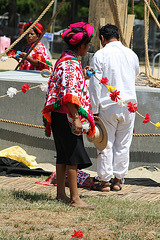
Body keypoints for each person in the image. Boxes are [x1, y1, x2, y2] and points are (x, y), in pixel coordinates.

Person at [42, 22, 96, 208]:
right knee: (73, 156)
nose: (88, 48)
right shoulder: (71, 64)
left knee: (63, 156)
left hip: (58, 115)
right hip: (67, 115)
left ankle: (60, 195)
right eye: (87, 45)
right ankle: (75, 198)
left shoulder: (63, 60)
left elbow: (66, 86)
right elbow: (69, 94)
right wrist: (75, 118)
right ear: (81, 46)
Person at [89, 24, 139, 192]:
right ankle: (118, 180)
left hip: (107, 106)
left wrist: (94, 109)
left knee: (105, 143)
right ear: (118, 36)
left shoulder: (100, 55)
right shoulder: (131, 54)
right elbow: (135, 75)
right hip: (129, 106)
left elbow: (94, 85)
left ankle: (104, 182)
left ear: (102, 38)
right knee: (123, 144)